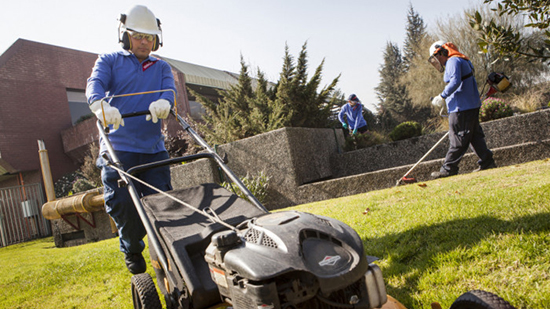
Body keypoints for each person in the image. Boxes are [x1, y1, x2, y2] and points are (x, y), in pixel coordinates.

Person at [85, 5, 176, 274]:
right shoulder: (109, 60)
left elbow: (169, 92)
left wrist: (164, 102)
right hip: (118, 151)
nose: (144, 42)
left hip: (153, 151)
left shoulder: (162, 67)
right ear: (125, 36)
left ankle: (169, 255)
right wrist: (101, 106)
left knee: (163, 207)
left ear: (156, 39)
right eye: (138, 36)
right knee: (124, 207)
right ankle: (132, 247)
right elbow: (95, 85)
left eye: (149, 37)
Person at [428, 40, 496, 179]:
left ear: (441, 52)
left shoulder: (453, 61)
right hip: (470, 105)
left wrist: (442, 96)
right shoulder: (462, 60)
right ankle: (487, 162)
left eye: (436, 57)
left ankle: (448, 169)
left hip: (461, 108)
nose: (437, 62)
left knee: (458, 138)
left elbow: (455, 81)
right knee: (475, 136)